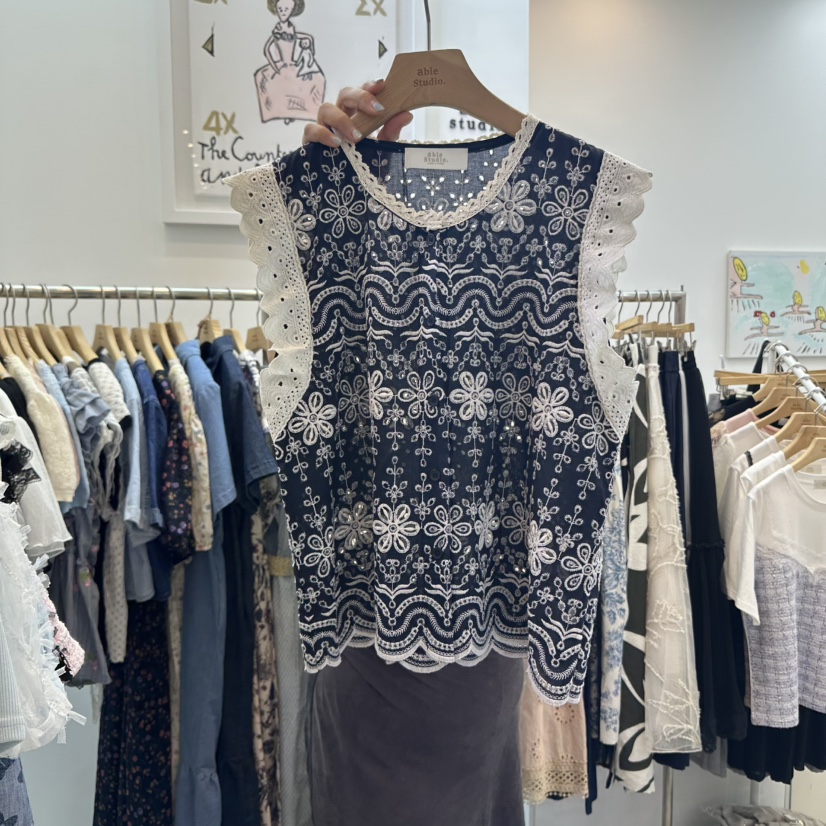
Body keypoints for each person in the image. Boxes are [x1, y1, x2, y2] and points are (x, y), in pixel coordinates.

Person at [297, 80, 526, 826]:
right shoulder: (337, 221)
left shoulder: (548, 214)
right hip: (365, 644)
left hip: (481, 643)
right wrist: (324, 189)